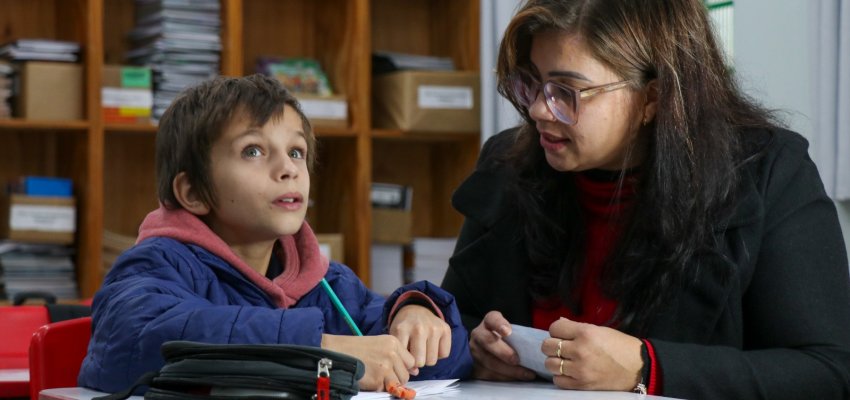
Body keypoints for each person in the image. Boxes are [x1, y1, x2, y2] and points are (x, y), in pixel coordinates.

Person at [440, 0, 850, 399]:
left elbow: (828, 371)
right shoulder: (507, 165)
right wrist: (475, 350)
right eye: (532, 81)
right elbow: (459, 317)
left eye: (566, 91)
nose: (537, 110)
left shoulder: (767, 171)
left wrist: (647, 368)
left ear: (652, 97)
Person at [78, 74, 472, 394]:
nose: (289, 169)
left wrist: (417, 312)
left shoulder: (326, 283)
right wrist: (321, 350)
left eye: (296, 151)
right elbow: (131, 339)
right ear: (193, 192)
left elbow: (441, 361)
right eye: (253, 150)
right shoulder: (156, 263)